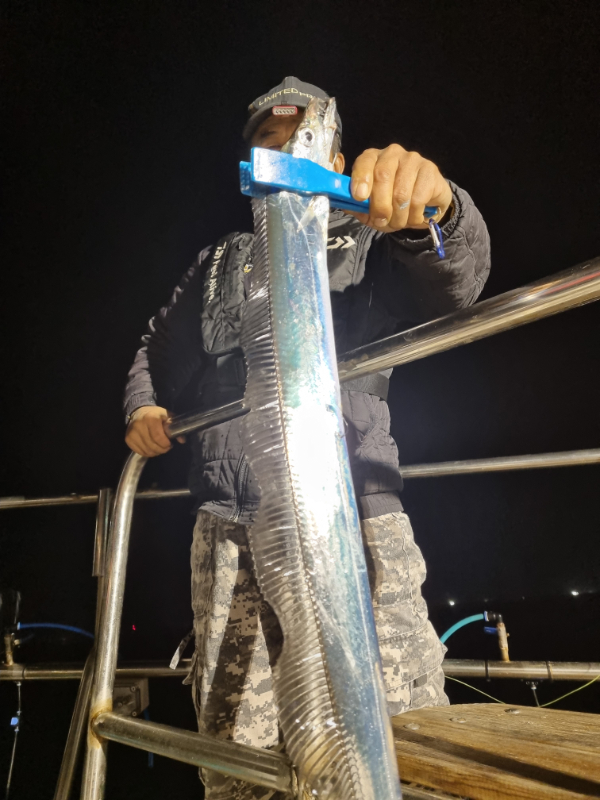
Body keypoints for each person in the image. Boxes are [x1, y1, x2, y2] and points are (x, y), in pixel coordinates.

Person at [124, 77, 491, 800]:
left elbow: (457, 280)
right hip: (229, 530)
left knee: (408, 740)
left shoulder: (372, 234)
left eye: (304, 137)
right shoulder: (219, 262)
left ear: (337, 158)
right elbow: (155, 349)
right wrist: (143, 405)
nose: (287, 147)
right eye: (271, 138)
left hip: (354, 524)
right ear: (251, 160)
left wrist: (436, 205)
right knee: (241, 758)